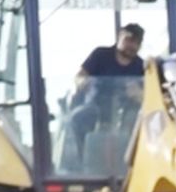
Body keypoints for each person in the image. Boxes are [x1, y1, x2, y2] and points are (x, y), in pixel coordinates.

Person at [62, 23, 145, 170]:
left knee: (139, 122)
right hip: (96, 107)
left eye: (137, 42)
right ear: (119, 36)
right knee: (78, 118)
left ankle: (132, 167)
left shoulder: (141, 66)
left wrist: (138, 94)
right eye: (129, 39)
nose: (132, 45)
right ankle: (83, 163)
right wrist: (83, 83)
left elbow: (149, 96)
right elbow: (80, 76)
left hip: (126, 112)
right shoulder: (100, 55)